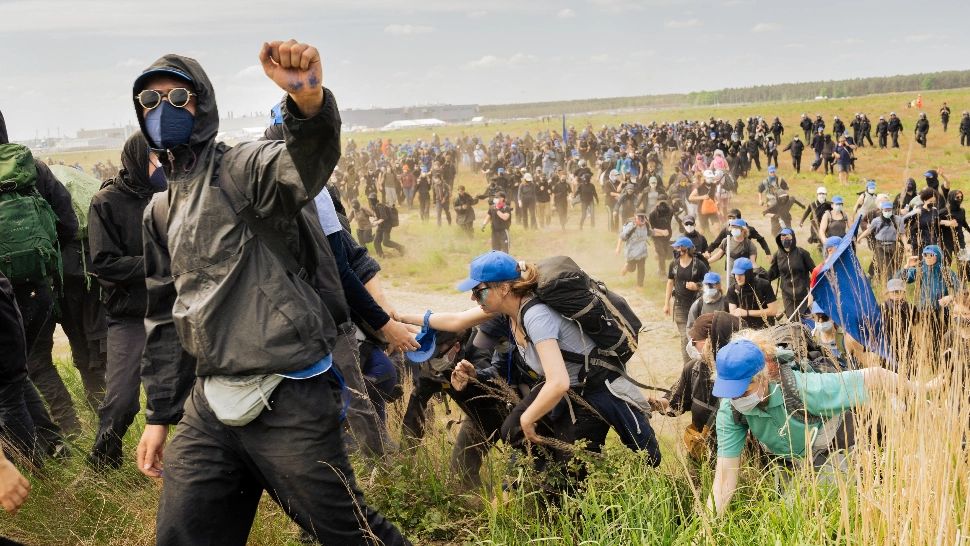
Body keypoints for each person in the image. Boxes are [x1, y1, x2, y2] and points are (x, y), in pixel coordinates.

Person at [132, 41, 409, 545]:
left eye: (177, 98)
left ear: (202, 105)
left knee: (348, 534)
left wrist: (307, 101)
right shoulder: (159, 211)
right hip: (211, 403)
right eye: (150, 101)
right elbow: (165, 317)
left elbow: (303, 160)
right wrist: (159, 416)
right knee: (183, 535)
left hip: (288, 391)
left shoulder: (243, 169)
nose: (162, 109)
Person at [402, 251, 661, 490]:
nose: (473, 298)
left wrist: (529, 418)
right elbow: (456, 320)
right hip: (568, 390)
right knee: (513, 430)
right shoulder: (507, 310)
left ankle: (579, 499)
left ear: (504, 288)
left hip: (594, 388)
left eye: (478, 292)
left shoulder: (536, 316)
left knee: (602, 464)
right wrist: (396, 319)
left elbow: (558, 382)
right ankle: (539, 484)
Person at [708, 335, 934, 516]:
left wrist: (920, 389)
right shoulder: (731, 410)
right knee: (784, 515)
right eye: (730, 392)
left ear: (763, 378)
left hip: (832, 449)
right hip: (791, 462)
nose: (736, 398)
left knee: (812, 511)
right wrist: (706, 530)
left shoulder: (804, 388)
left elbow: (875, 376)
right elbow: (724, 477)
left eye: (743, 390)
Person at [85, 133, 164, 468]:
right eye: (155, 158)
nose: (162, 165)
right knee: (121, 400)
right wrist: (157, 263)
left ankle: (202, 465)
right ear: (137, 159)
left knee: (194, 392)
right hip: (129, 315)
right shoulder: (106, 202)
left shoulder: (172, 195)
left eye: (165, 157)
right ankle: (102, 462)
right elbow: (103, 264)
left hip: (173, 309)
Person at [648, 312, 743, 463]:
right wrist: (656, 404)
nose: (691, 345)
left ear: (712, 341)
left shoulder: (745, 375)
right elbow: (676, 400)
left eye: (694, 342)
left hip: (738, 457)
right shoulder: (693, 369)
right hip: (701, 455)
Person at [664, 237, 709, 362]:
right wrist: (666, 304)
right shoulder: (673, 264)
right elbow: (670, 282)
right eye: (676, 247)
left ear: (687, 249)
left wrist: (697, 286)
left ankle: (700, 362)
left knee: (698, 336)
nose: (676, 250)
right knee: (685, 337)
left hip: (697, 306)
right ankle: (687, 366)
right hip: (680, 306)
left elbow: (710, 284)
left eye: (679, 247)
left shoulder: (699, 265)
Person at [768, 228, 814, 320]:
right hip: (787, 294)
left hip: (804, 293)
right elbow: (772, 273)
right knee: (792, 319)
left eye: (787, 237)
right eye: (782, 237)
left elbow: (814, 271)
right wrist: (760, 279)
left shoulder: (802, 253)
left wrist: (812, 289)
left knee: (805, 319)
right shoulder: (777, 255)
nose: (785, 239)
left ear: (793, 238)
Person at [858, 201, 904, 281]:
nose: (887, 212)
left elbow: (902, 234)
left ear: (892, 210)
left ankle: (894, 284)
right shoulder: (876, 221)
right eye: (885, 210)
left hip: (893, 245)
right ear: (882, 210)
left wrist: (906, 245)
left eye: (889, 210)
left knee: (896, 268)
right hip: (880, 246)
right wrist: (860, 238)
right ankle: (888, 284)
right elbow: (869, 231)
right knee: (887, 269)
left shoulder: (898, 220)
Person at [725, 258, 777, 329]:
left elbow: (773, 311)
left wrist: (747, 313)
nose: (738, 278)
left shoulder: (764, 285)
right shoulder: (732, 290)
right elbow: (733, 314)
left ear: (748, 274)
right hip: (743, 329)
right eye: (736, 274)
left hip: (765, 327)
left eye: (741, 274)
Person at [706, 219, 759, 289]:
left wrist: (758, 273)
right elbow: (718, 255)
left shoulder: (749, 244)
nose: (734, 230)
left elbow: (752, 262)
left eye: (736, 228)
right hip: (730, 275)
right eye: (733, 228)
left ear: (743, 230)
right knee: (731, 293)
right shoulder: (726, 241)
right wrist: (706, 262)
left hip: (743, 277)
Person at [616, 211, 650, 287]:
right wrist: (618, 248)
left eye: (643, 217)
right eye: (639, 217)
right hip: (631, 252)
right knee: (632, 268)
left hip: (642, 252)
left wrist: (662, 232)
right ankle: (625, 269)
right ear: (635, 217)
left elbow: (650, 233)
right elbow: (621, 237)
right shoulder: (630, 226)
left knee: (641, 268)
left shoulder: (646, 225)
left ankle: (639, 286)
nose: (641, 219)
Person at [370, 192, 405, 258]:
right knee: (376, 241)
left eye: (372, 199)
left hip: (387, 226)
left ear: (375, 199)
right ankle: (381, 255)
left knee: (386, 242)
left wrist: (376, 223)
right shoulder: (374, 206)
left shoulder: (380, 206)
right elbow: (378, 216)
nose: (371, 201)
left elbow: (384, 217)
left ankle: (401, 248)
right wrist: (374, 221)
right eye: (370, 199)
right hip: (381, 225)